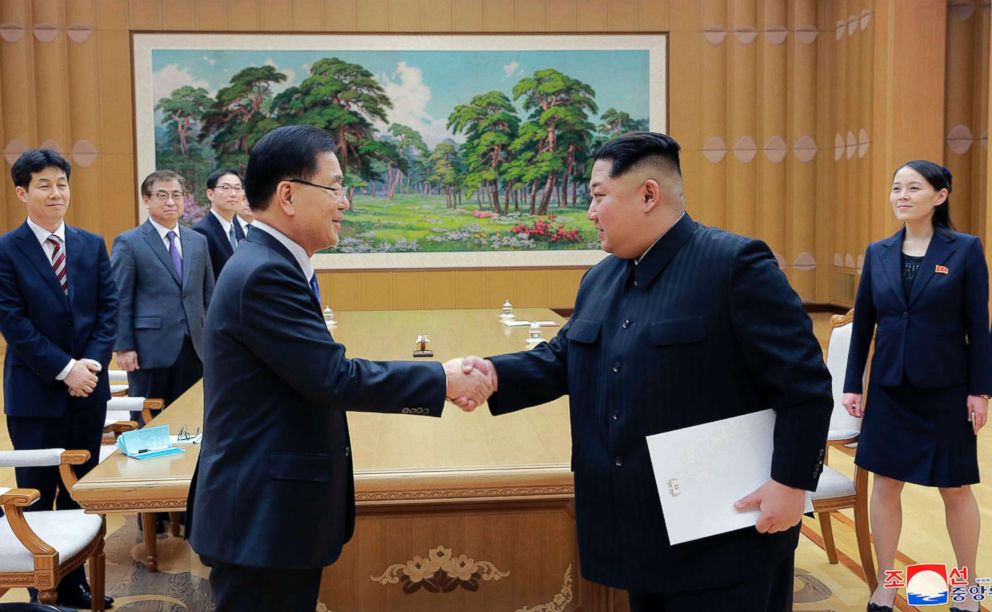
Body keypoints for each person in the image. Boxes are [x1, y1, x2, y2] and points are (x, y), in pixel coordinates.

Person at [458, 132, 833, 612]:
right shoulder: (601, 277)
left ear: (649, 194)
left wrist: (791, 482)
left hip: (724, 534)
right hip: (636, 528)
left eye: (598, 197)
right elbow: (562, 358)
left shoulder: (734, 265)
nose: (590, 214)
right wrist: (490, 373)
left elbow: (804, 383)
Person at [187, 125, 492, 611]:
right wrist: (442, 379)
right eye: (334, 187)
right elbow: (333, 377)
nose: (344, 202)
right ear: (288, 194)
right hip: (262, 514)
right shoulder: (265, 272)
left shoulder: (271, 262)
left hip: (268, 506)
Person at [843, 160, 991, 612]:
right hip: (889, 388)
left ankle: (966, 587)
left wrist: (980, 391)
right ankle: (887, 583)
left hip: (947, 388)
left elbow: (978, 326)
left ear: (940, 196)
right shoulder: (878, 252)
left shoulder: (964, 250)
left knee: (956, 488)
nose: (901, 196)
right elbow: (864, 321)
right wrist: (853, 384)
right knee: (885, 485)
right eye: (896, 188)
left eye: (913, 188)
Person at [0, 149, 117, 610]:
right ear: (22, 193)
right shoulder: (7, 250)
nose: (56, 192)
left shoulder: (91, 244)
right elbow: (13, 322)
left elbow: (108, 312)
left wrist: (88, 366)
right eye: (44, 184)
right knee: (37, 489)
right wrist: (66, 369)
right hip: (35, 393)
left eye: (62, 183)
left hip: (89, 390)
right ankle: (39, 591)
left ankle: (74, 584)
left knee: (78, 488)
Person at [112, 171, 214, 411]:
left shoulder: (198, 241)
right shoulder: (129, 242)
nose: (171, 201)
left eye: (176, 195)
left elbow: (208, 294)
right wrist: (124, 347)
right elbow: (120, 298)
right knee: (149, 418)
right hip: (150, 349)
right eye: (162, 195)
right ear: (147, 200)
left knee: (192, 416)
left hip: (195, 347)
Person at [192, 168, 245, 280]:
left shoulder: (239, 229)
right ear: (210, 194)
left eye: (237, 188)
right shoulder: (201, 232)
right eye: (226, 188)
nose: (233, 194)